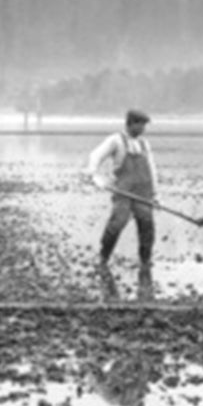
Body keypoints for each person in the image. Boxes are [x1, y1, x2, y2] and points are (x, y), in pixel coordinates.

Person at [86, 109, 158, 279]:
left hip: (143, 192)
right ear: (131, 123)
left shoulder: (144, 144)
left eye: (144, 126)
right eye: (140, 125)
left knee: (147, 226)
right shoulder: (115, 141)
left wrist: (155, 194)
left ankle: (145, 261)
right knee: (116, 224)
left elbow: (152, 169)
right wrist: (97, 178)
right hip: (123, 191)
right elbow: (95, 157)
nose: (143, 129)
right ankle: (103, 258)